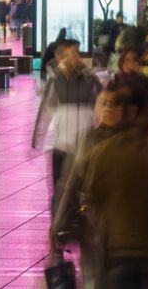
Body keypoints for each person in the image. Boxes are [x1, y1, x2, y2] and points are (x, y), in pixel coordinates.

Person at [52, 85, 148, 288]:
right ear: (95, 108)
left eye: (115, 104)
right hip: (97, 234)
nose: (108, 109)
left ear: (126, 111)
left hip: (125, 241)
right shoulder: (87, 141)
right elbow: (70, 185)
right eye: (103, 103)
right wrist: (58, 224)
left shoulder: (141, 144)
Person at [32, 39, 100, 212]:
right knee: (60, 185)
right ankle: (59, 223)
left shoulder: (90, 78)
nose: (76, 57)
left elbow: (101, 102)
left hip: (85, 143)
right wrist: (39, 139)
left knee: (85, 186)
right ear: (61, 56)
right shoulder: (55, 80)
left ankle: (80, 222)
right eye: (72, 53)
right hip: (62, 142)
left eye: (77, 53)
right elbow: (47, 109)